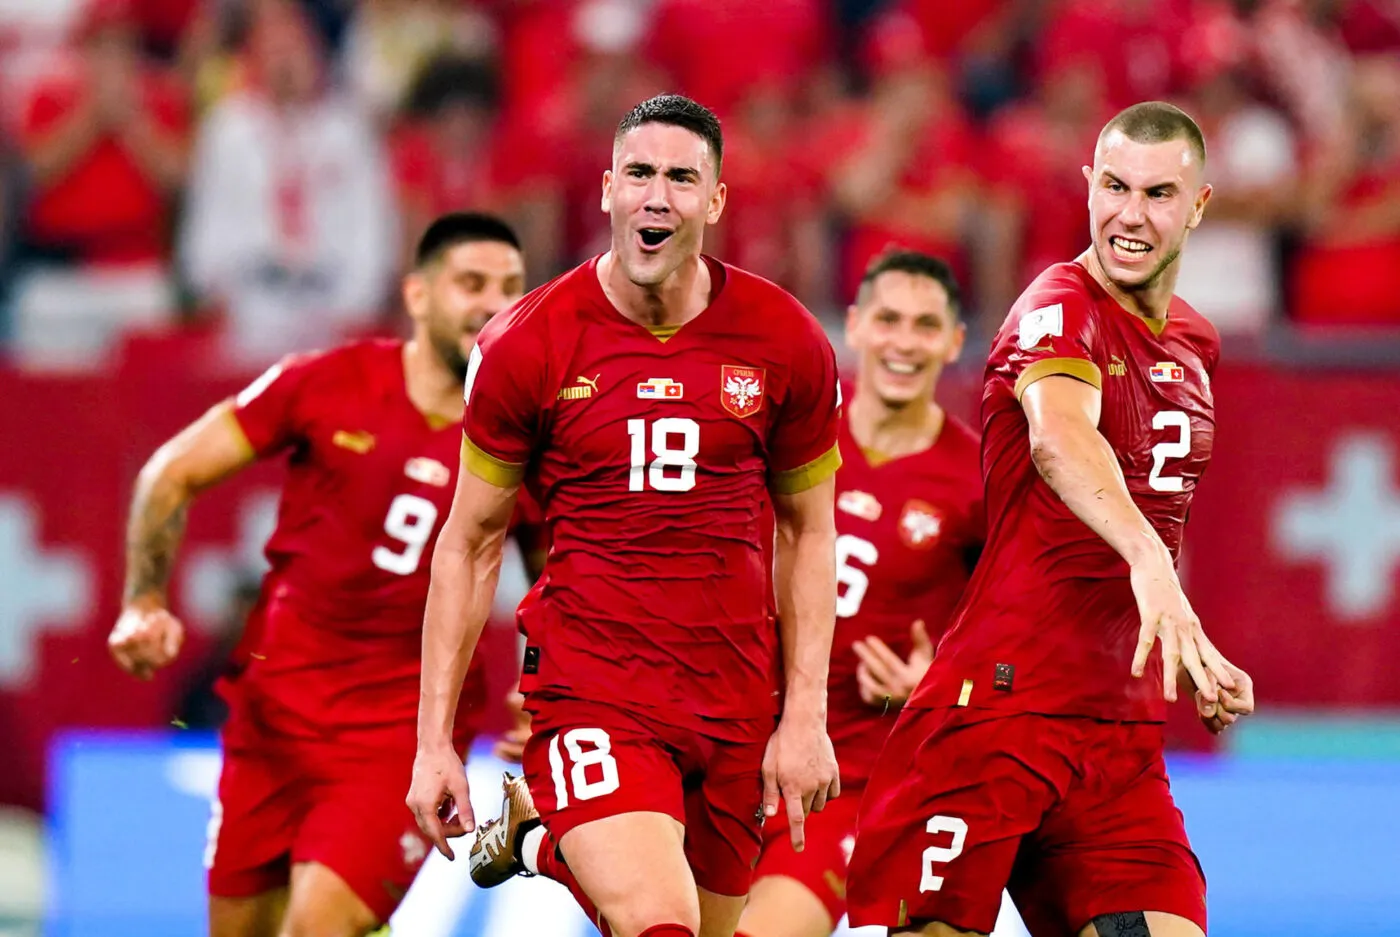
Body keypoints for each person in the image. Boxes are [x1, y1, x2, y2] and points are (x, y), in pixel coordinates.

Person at [407, 94, 843, 937]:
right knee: (657, 920)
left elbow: (809, 530)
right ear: (606, 189)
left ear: (716, 201)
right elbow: (469, 542)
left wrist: (803, 715)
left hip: (732, 698)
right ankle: (557, 820)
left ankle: (541, 835)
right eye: (639, 173)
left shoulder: (785, 340)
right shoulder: (527, 343)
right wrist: (434, 742)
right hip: (594, 689)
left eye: (682, 178)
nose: (656, 197)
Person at [845, 101, 1257, 937]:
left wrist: (1190, 641)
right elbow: (1061, 438)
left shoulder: (1194, 343)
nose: (1130, 215)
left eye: (1157, 194)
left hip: (1118, 732)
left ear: (1201, 204)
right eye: (1113, 187)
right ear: (1087, 185)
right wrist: (1152, 568)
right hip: (996, 711)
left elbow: (1148, 516)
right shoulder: (1059, 304)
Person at [107, 212, 528, 937]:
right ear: (418, 296)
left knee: (316, 926)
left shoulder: (522, 439)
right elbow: (170, 473)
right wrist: (143, 599)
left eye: (511, 288)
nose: (493, 303)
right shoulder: (328, 382)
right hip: (273, 720)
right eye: (471, 283)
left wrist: (546, 689)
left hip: (400, 738)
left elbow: (563, 578)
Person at [737, 249, 984, 937]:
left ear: (954, 340)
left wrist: (940, 687)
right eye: (889, 320)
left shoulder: (975, 482)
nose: (904, 342)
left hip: (851, 782)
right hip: (731, 756)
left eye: (926, 325)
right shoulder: (783, 443)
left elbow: (1016, 639)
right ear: (854, 325)